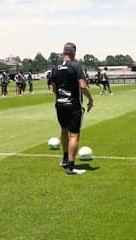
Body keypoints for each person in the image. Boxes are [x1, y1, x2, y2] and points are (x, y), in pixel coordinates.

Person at [51, 42, 94, 175]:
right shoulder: (76, 66)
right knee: (74, 135)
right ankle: (71, 167)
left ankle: (64, 159)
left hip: (60, 104)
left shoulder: (55, 67)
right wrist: (90, 99)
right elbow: (82, 86)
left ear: (64, 52)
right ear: (73, 53)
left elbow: (53, 87)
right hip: (73, 105)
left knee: (64, 130)